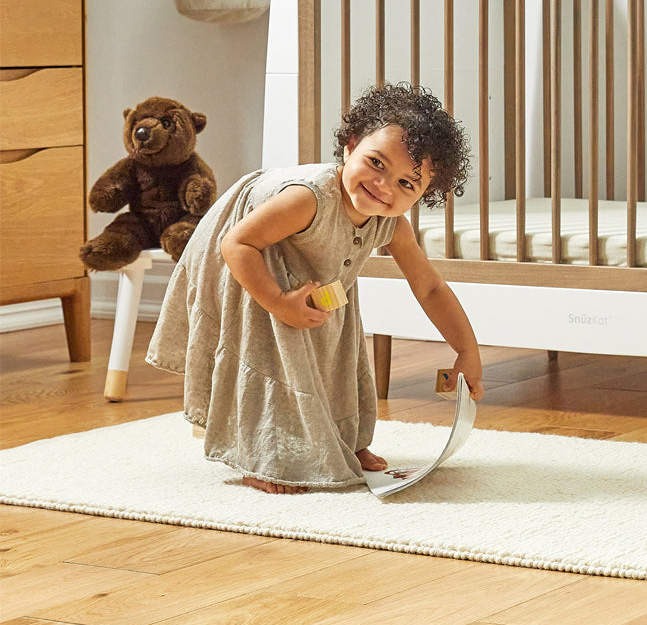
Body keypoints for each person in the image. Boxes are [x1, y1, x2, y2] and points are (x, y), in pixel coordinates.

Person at [147, 82, 483, 494]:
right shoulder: (309, 200)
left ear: (423, 195)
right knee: (268, 355)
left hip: (311, 268)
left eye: (406, 184)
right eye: (376, 162)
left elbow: (429, 286)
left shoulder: (392, 223)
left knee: (338, 351)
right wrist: (277, 301)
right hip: (251, 254)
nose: (384, 186)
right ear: (351, 145)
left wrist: (467, 350)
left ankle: (345, 440)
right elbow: (235, 242)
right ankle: (259, 456)